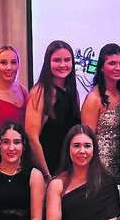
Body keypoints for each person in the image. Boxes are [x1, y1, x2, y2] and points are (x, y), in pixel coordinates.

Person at [27, 40, 82, 177]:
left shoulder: (72, 91)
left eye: (67, 60)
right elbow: (32, 138)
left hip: (69, 167)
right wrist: (46, 175)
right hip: (48, 168)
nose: (62, 65)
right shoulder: (40, 91)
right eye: (57, 60)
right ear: (48, 63)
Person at [81, 43, 120, 182]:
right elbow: (87, 139)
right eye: (112, 63)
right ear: (102, 67)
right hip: (102, 166)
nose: (118, 68)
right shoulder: (93, 99)